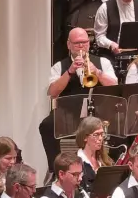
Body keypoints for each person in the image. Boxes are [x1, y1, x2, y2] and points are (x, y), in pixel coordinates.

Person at [41, 27, 118, 171]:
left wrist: (98, 72)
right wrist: (69, 71)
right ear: (69, 45)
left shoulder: (103, 62)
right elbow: (53, 92)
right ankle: (56, 169)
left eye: (84, 42)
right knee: (46, 125)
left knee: (119, 123)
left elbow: (114, 85)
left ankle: (112, 166)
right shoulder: (59, 66)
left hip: (98, 112)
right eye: (77, 43)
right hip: (70, 113)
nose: (81, 46)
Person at [74, 117, 107, 192]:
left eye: (102, 134)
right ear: (85, 137)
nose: (100, 138)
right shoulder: (75, 162)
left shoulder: (104, 160)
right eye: (96, 134)